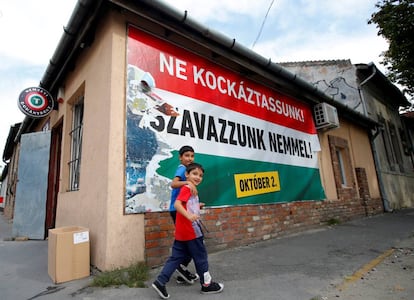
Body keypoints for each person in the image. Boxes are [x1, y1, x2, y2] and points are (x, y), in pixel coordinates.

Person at [152, 163, 224, 299]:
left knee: (175, 258)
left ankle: (160, 281)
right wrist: (190, 216)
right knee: (201, 257)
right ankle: (207, 285)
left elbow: (186, 204)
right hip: (191, 231)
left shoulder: (190, 188)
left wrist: (197, 205)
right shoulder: (187, 188)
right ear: (187, 175)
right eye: (194, 174)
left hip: (182, 231)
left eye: (201, 175)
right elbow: (177, 204)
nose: (198, 177)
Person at [169, 145, 199, 284]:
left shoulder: (187, 170)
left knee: (188, 242)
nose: (190, 158)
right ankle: (179, 267)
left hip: (181, 209)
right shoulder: (182, 169)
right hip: (178, 210)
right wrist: (187, 181)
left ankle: (182, 272)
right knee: (190, 242)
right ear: (180, 157)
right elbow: (173, 184)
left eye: (192, 156)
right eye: (187, 155)